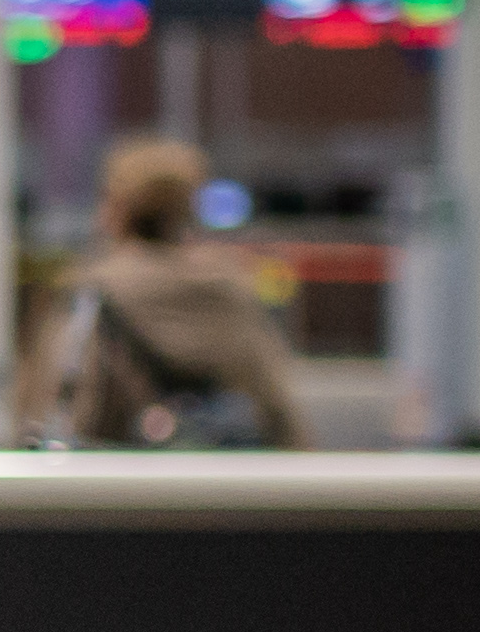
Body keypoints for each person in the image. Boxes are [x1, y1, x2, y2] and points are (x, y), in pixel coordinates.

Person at [21, 137, 307, 449]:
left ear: (117, 208)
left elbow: (65, 405)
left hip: (117, 483)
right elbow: (275, 404)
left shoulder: (90, 293)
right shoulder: (226, 290)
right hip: (216, 484)